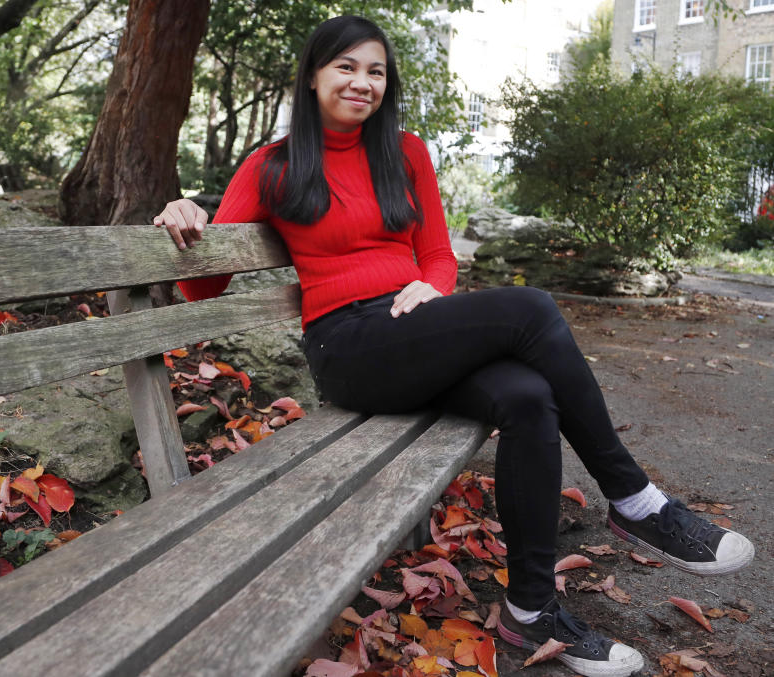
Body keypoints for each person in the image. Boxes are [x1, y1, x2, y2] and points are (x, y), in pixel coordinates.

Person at [153, 15, 754, 677]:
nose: (362, 82)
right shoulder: (272, 165)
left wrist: (428, 290)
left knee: (526, 396)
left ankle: (529, 611)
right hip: (350, 349)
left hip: (415, 331)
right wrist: (188, 214)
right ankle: (634, 499)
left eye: (375, 70)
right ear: (313, 76)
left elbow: (437, 255)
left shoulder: (404, 152)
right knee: (530, 307)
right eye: (346, 67)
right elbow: (202, 290)